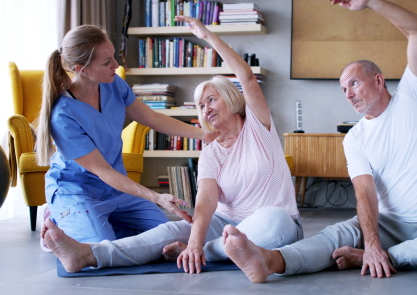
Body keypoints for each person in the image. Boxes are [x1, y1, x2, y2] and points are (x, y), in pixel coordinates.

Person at [221, 0, 417, 283]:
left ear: (378, 80)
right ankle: (270, 260)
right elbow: (364, 192)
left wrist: (371, 3)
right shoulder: (355, 138)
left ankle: (391, 257)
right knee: (336, 234)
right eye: (343, 90)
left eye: (353, 83)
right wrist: (373, 241)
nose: (348, 94)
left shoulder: (414, 98)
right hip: (387, 224)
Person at [41, 15, 302, 274]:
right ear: (82, 69)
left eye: (212, 100)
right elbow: (207, 200)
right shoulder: (211, 153)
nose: (206, 109)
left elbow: (245, 76)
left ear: (232, 98)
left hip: (268, 221)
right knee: (168, 230)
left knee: (276, 222)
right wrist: (192, 238)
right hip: (84, 188)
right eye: (200, 105)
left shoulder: (259, 127)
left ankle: (212, 250)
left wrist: (207, 36)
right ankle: (87, 253)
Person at [34, 25, 218, 245]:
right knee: (102, 249)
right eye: (107, 62)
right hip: (78, 192)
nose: (116, 65)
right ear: (82, 69)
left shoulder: (113, 84)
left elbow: (152, 118)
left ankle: (92, 226)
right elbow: (102, 170)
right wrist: (155, 197)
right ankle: (59, 218)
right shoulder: (63, 116)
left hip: (116, 189)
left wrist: (204, 135)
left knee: (170, 237)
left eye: (113, 56)